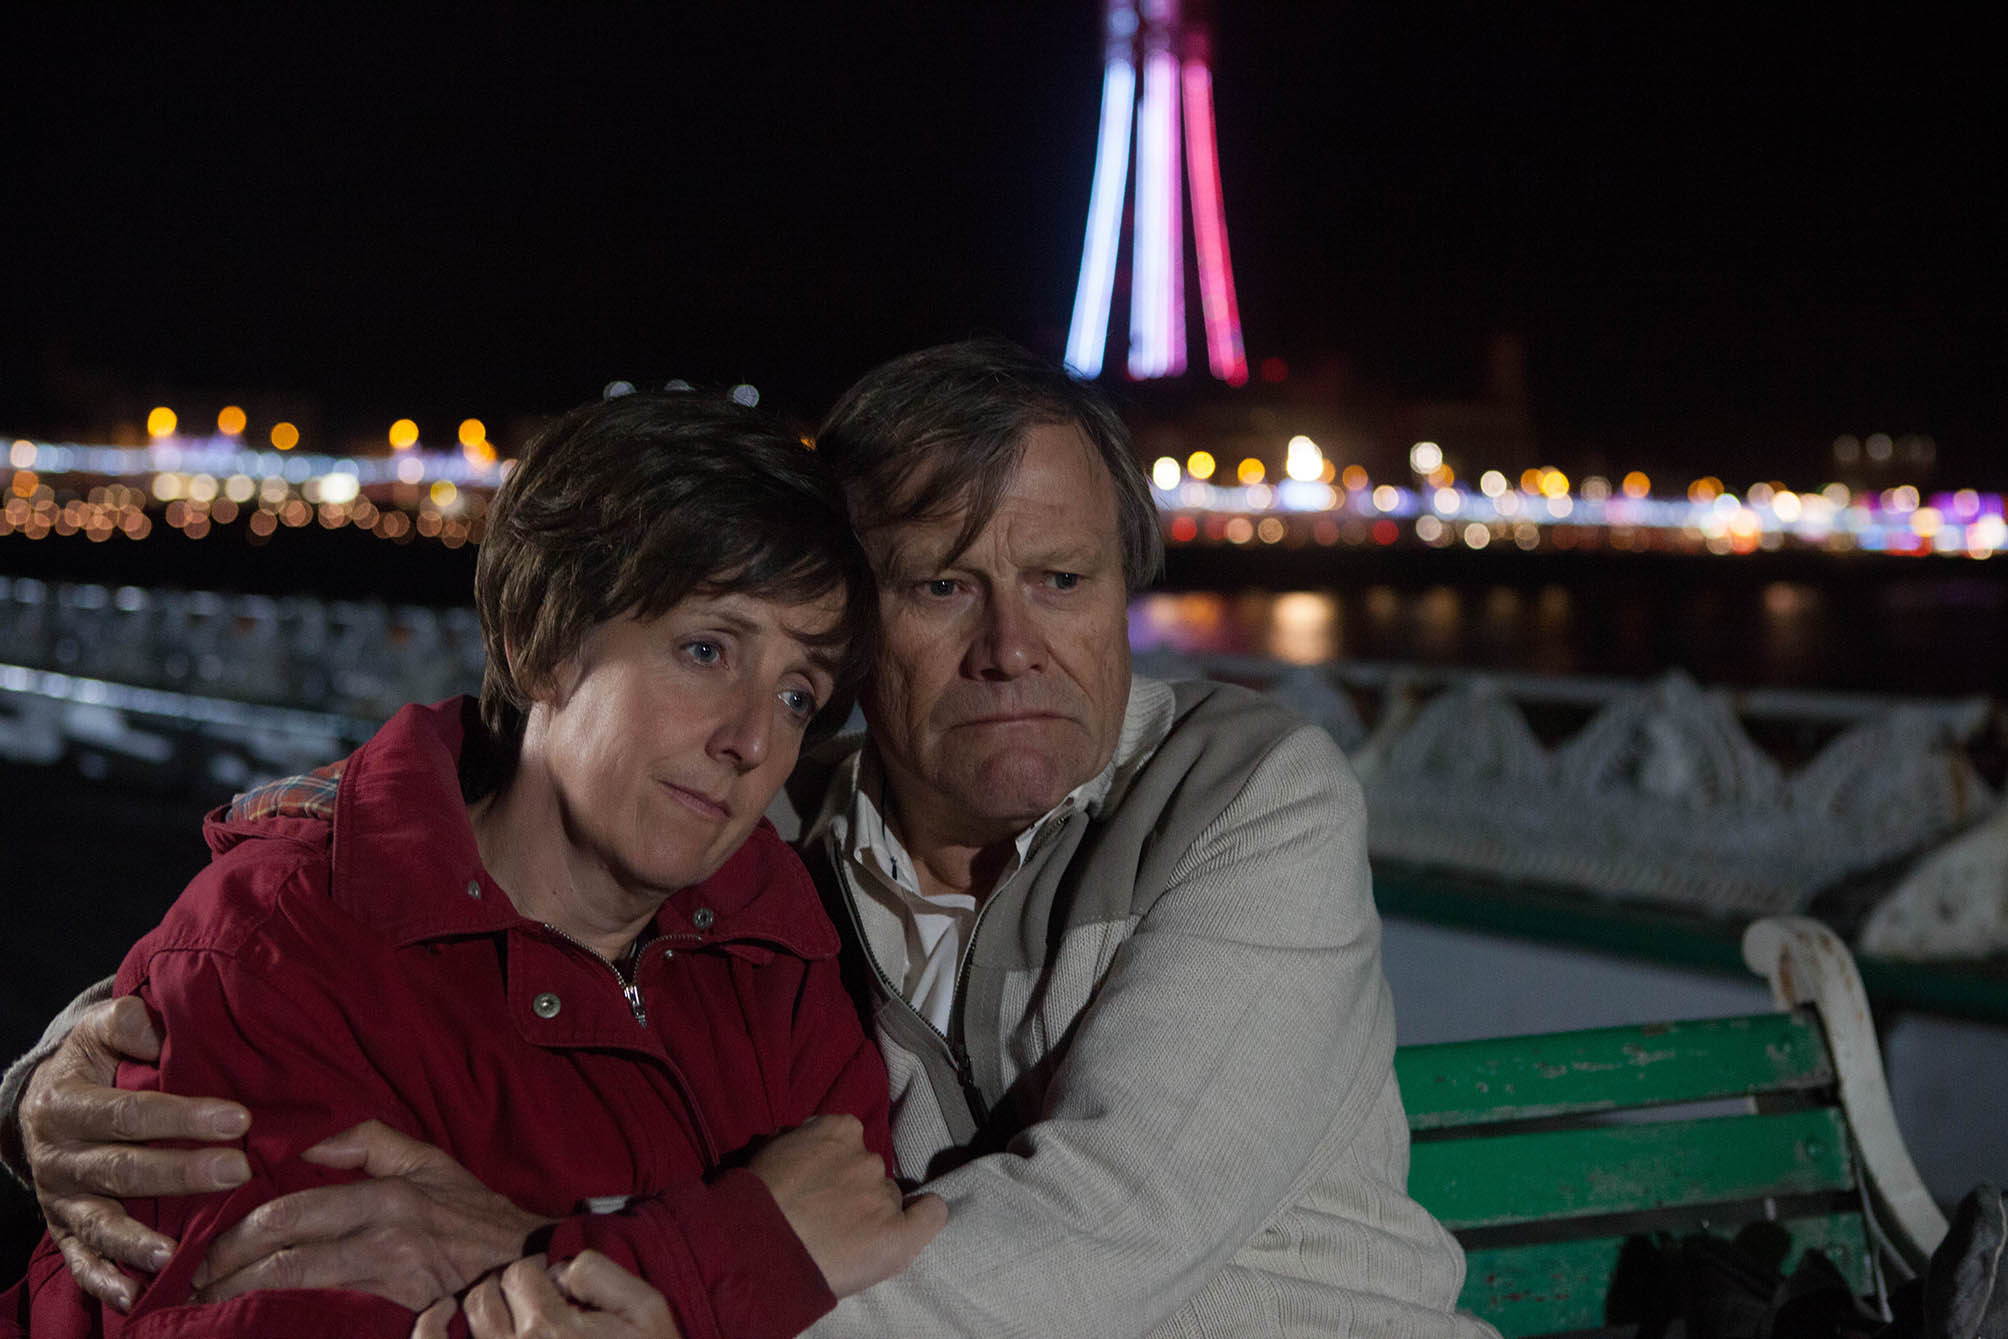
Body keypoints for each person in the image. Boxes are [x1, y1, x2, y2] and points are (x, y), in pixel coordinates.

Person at [5, 340, 1487, 1337]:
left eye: (1062, 577)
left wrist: (574, 1269)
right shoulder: (776, 847)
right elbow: (393, 879)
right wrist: (84, 1058)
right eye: (942, 587)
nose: (1012, 646)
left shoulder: (1249, 795)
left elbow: (1108, 1228)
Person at [2, 391, 943, 1337]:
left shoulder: (781, 960)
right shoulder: (274, 954)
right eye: (706, 649)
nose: (751, 739)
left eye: (796, 694)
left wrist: (537, 1256)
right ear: (544, 642)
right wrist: (721, 1261)